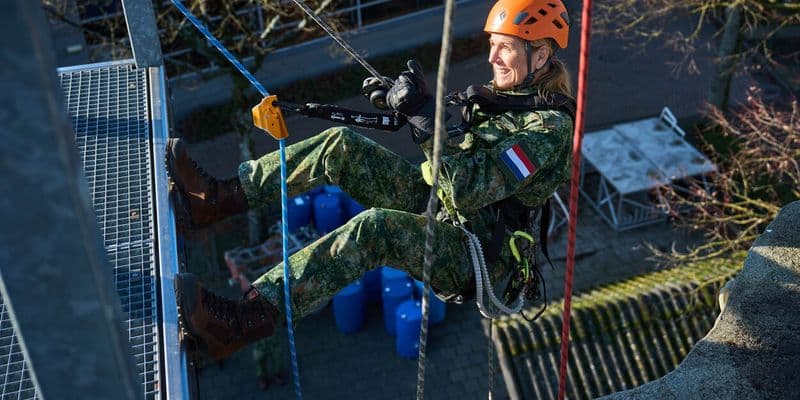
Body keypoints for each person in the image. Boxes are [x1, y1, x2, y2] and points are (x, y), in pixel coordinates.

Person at [170, 0, 575, 362]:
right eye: (492, 44)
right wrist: (407, 106)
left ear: (540, 54)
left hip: (478, 250)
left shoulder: (547, 131)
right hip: (444, 204)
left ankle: (240, 323)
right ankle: (215, 199)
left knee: (375, 229)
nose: (493, 57)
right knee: (339, 146)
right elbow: (453, 156)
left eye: (506, 47)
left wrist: (423, 122)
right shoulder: (506, 97)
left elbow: (467, 188)